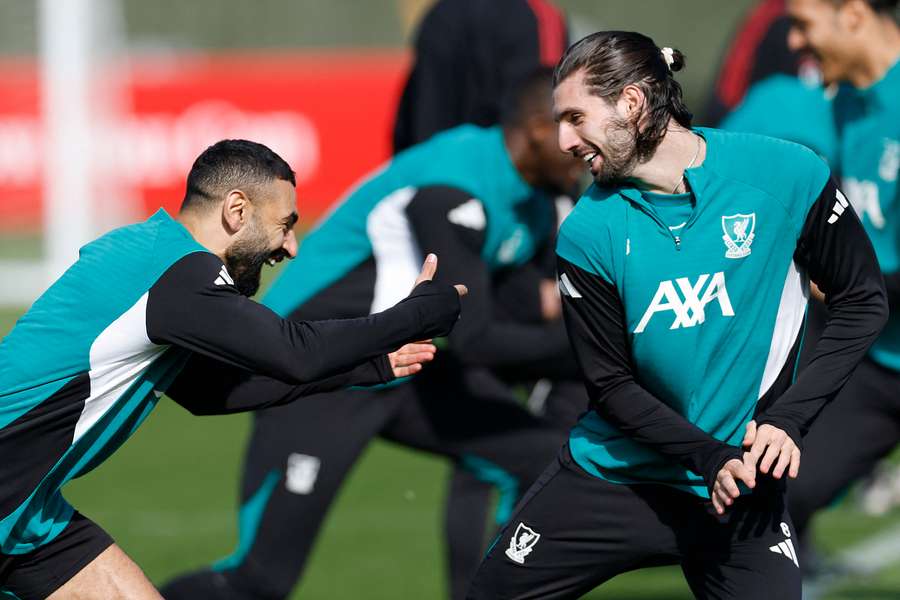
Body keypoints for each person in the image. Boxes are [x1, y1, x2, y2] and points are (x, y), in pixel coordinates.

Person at [466, 30, 887, 600]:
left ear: (633, 105)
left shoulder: (787, 175)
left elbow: (862, 299)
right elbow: (610, 385)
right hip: (613, 478)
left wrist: (789, 419)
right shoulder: (588, 231)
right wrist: (707, 456)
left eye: (576, 117)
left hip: (741, 491)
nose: (564, 140)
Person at [160, 69, 585, 600]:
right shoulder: (452, 184)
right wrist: (593, 354)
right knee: (260, 580)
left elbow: (504, 299)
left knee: (543, 458)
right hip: (314, 374)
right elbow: (475, 336)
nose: (586, 147)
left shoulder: (539, 196)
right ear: (537, 130)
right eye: (576, 127)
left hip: (402, 366)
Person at [0, 139, 465, 600]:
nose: (291, 246)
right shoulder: (177, 274)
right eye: (284, 225)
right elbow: (296, 351)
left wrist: (371, 367)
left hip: (27, 517)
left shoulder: (151, 257)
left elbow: (212, 392)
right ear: (237, 210)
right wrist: (417, 314)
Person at [774, 0, 900, 573]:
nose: (795, 42)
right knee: (775, 490)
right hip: (876, 361)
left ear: (853, 15)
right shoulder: (848, 100)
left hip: (875, 315)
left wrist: (849, 285)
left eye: (804, 25)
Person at [393, 0, 568, 153]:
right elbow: (552, 120)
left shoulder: (441, 13)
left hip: (431, 176)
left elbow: (416, 124)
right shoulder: (537, 16)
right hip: (510, 184)